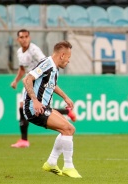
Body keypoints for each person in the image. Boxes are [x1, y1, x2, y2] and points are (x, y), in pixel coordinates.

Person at [22, 41, 82, 178]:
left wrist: (65, 97)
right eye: (68, 57)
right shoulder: (47, 64)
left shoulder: (54, 68)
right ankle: (68, 166)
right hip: (35, 108)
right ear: (62, 55)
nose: (69, 61)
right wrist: (35, 101)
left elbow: (52, 85)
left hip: (45, 107)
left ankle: (52, 162)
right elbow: (27, 79)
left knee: (68, 129)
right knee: (68, 129)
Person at [11, 29, 76, 148]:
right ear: (18, 39)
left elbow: (46, 64)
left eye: (26, 36)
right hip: (31, 81)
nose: (24, 39)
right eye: (21, 37)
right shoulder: (20, 52)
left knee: (29, 107)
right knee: (25, 107)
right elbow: (24, 72)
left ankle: (24, 140)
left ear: (29, 38)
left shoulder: (36, 51)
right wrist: (16, 81)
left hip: (36, 80)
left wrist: (65, 97)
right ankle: (24, 139)